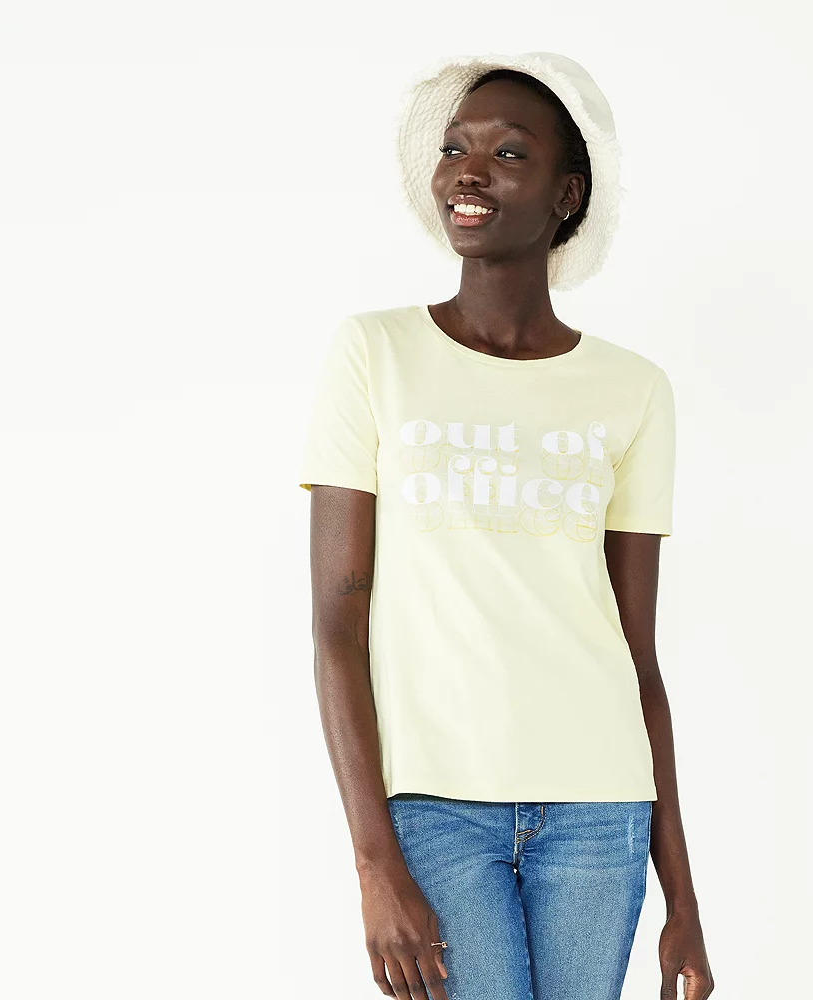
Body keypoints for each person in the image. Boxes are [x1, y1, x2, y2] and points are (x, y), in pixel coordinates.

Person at [298, 51, 714, 1000]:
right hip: (433, 807)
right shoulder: (374, 353)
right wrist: (374, 864)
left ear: (568, 195)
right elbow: (335, 627)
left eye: (508, 153)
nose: (468, 172)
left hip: (600, 809)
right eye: (455, 149)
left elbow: (637, 655)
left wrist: (683, 898)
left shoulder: (634, 390)